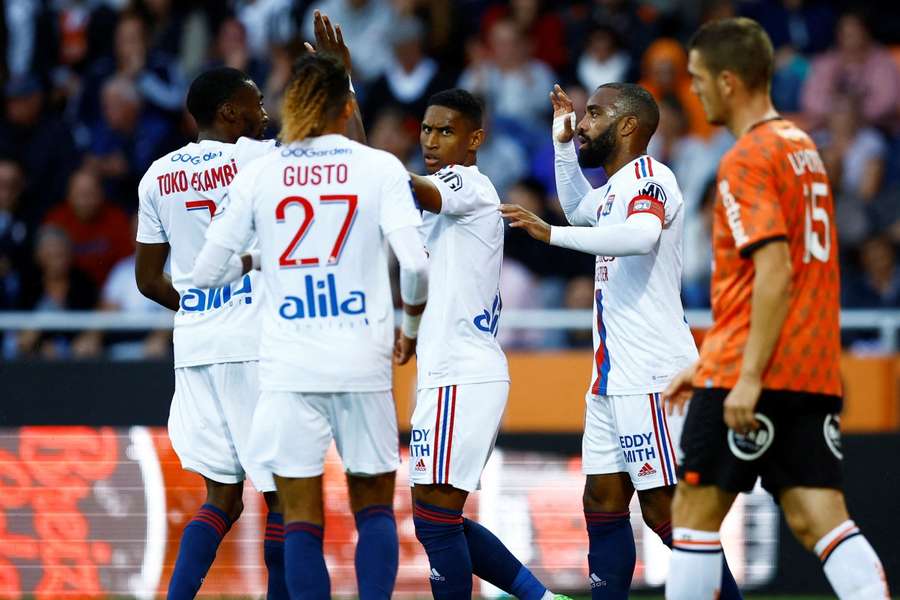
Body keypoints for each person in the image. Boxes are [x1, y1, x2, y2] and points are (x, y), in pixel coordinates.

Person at [665, 17, 889, 600]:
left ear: (730, 81)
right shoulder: (802, 147)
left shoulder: (746, 159)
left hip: (752, 370)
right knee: (822, 518)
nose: (696, 91)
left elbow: (773, 272)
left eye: (699, 78)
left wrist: (745, 375)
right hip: (810, 368)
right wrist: (709, 356)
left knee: (691, 512)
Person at [193, 52, 428, 600]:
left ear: (289, 106)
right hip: (361, 356)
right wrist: (410, 327)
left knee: (301, 516)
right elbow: (416, 265)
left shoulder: (261, 174)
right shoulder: (380, 167)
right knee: (372, 507)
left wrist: (254, 260)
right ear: (347, 107)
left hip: (288, 363)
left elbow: (205, 274)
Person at [501, 82, 742, 600]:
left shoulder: (653, 179)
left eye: (593, 114)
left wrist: (549, 235)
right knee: (602, 500)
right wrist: (562, 142)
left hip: (653, 374)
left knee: (666, 513)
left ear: (628, 125)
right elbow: (576, 206)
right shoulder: (613, 190)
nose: (584, 123)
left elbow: (640, 237)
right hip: (611, 377)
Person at [399, 88, 567, 600]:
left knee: (435, 521)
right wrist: (409, 330)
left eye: (445, 131)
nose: (431, 140)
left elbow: (400, 188)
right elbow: (417, 274)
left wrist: (344, 125)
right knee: (436, 517)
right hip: (446, 371)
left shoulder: (467, 184)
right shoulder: (440, 201)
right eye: (426, 129)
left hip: (462, 372)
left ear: (475, 139)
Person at [134, 66, 287, 599]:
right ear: (229, 112)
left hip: (195, 347)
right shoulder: (257, 158)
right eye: (257, 102)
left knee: (222, 496)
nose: (265, 114)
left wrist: (200, 302)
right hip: (252, 346)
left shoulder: (156, 175)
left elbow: (148, 279)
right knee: (285, 496)